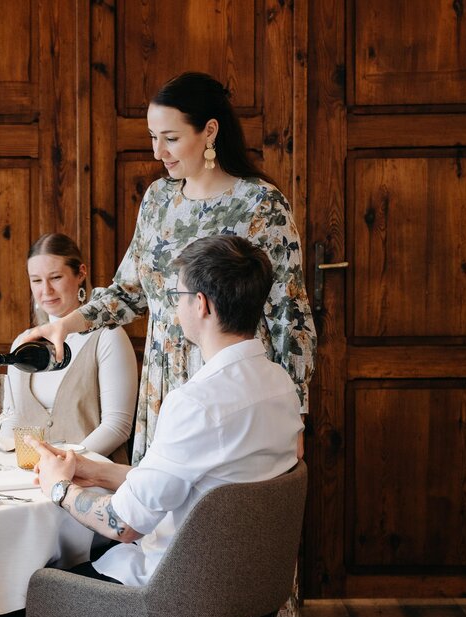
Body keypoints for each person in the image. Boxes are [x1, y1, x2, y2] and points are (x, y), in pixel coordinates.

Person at [19, 71, 315, 466]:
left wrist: (295, 415)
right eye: (152, 137)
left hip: (231, 383)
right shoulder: (158, 199)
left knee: (223, 496)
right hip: (163, 384)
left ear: (209, 131)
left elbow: (290, 316)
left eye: (171, 138)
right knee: (162, 498)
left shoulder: (260, 204)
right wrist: (65, 326)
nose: (158, 152)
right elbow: (128, 292)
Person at [30, 235, 303, 617]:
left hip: (163, 601)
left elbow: (123, 524)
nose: (175, 306)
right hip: (235, 599)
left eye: (178, 295)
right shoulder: (281, 385)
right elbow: (195, 485)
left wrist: (59, 489)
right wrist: (94, 470)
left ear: (201, 304)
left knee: (7, 599)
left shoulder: (197, 402)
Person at [0, 233, 137, 462]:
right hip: (32, 474)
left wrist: (65, 463)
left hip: (95, 473)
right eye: (36, 280)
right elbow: (11, 420)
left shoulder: (108, 337)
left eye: (55, 277)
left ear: (81, 273)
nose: (46, 290)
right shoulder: (22, 342)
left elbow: (117, 427)